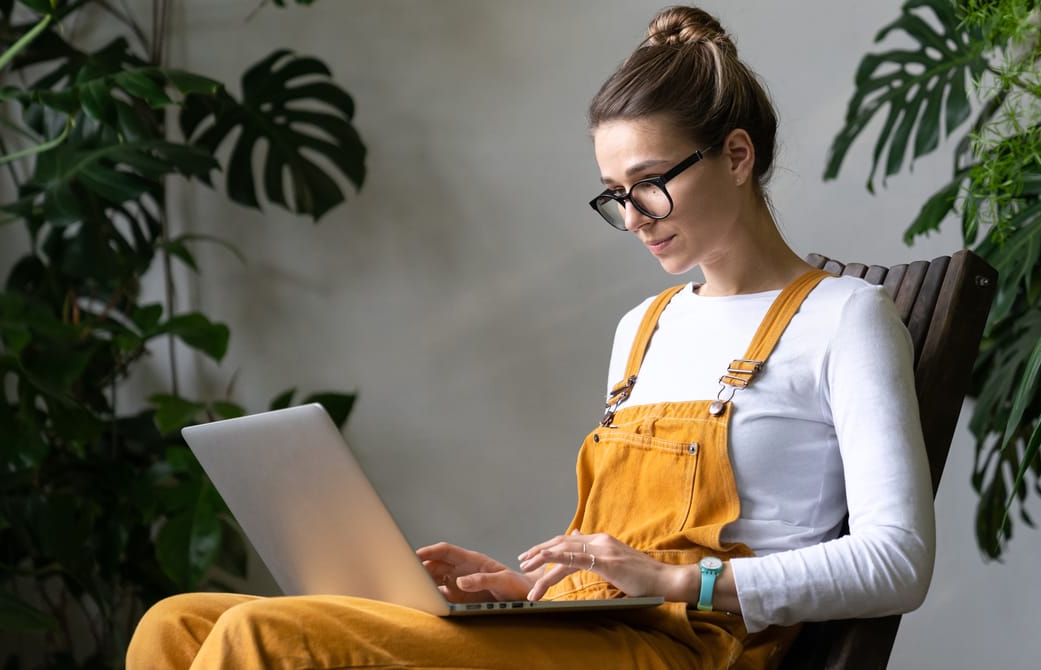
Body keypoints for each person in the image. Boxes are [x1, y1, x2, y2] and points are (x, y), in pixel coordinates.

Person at [126, 5, 934, 669]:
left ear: (735, 155)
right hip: (604, 638)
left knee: (255, 639)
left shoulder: (844, 319)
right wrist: (527, 593)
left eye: (649, 183)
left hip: (691, 655)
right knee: (178, 622)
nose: (631, 218)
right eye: (615, 193)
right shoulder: (644, 329)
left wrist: (679, 577)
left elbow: (899, 561)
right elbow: (623, 557)